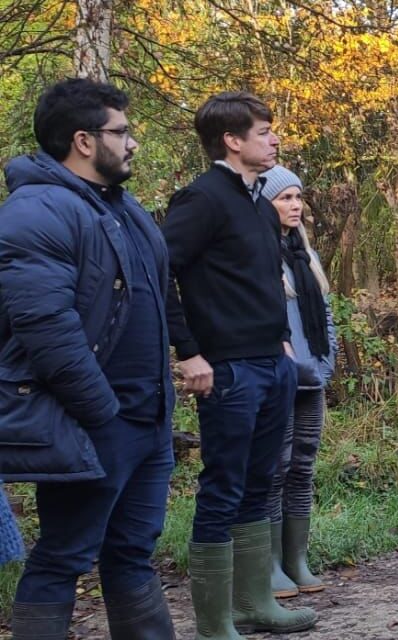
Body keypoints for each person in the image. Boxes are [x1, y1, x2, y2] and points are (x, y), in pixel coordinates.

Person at [0, 78, 176, 639]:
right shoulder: (37, 211)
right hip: (94, 422)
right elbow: (44, 328)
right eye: (121, 132)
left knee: (131, 553)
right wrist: (102, 413)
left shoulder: (125, 208)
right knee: (64, 556)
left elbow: (159, 297)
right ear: (82, 140)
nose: (132, 144)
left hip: (147, 419)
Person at [163, 92, 316, 637]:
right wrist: (189, 352)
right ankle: (213, 623)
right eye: (264, 131)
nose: (274, 139)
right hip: (225, 370)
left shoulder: (256, 200)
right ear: (232, 140)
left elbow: (257, 282)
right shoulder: (201, 200)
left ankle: (256, 604)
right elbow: (159, 273)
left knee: (260, 481)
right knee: (224, 486)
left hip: (271, 365)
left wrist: (279, 340)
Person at [259, 166, 337, 599]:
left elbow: (325, 316)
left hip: (313, 377)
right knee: (277, 466)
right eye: (283, 198)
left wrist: (328, 362)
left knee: (304, 464)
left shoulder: (306, 255)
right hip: (279, 376)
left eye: (297, 197)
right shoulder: (259, 255)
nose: (294, 206)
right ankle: (269, 566)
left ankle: (296, 559)